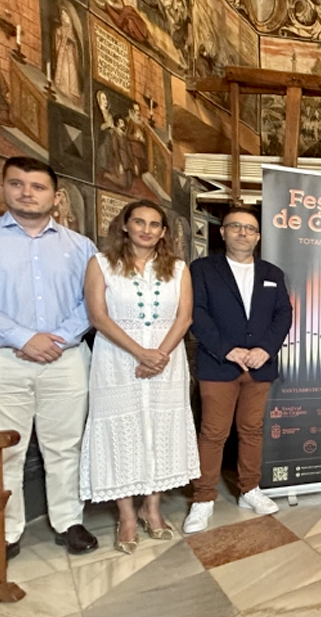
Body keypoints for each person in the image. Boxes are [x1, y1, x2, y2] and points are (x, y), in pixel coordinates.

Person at [80, 200, 198, 554]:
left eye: (154, 224)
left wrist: (158, 355)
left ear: (163, 232)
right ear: (125, 225)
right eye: (139, 222)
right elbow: (98, 317)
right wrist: (140, 353)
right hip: (117, 360)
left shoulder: (178, 268)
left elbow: (184, 318)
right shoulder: (101, 264)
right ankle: (127, 516)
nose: (146, 229)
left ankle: (152, 509)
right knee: (121, 429)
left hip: (167, 359)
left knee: (160, 429)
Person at [0, 157, 99, 560]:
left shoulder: (81, 247)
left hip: (66, 359)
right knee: (6, 450)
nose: (27, 193)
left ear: (56, 197)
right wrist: (24, 338)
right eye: (17, 183)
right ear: (4, 188)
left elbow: (92, 303)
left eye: (38, 186)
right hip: (7, 359)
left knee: (65, 446)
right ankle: (7, 530)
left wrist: (57, 339)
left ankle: (67, 520)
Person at [183, 207, 293, 533]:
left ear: (258, 237)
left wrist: (265, 350)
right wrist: (227, 349)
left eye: (250, 229)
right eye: (235, 227)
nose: (243, 233)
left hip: (259, 366)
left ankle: (249, 489)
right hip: (219, 364)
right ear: (223, 232)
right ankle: (203, 498)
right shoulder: (203, 269)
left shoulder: (272, 273)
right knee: (213, 433)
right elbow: (196, 313)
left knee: (252, 430)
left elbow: (283, 315)